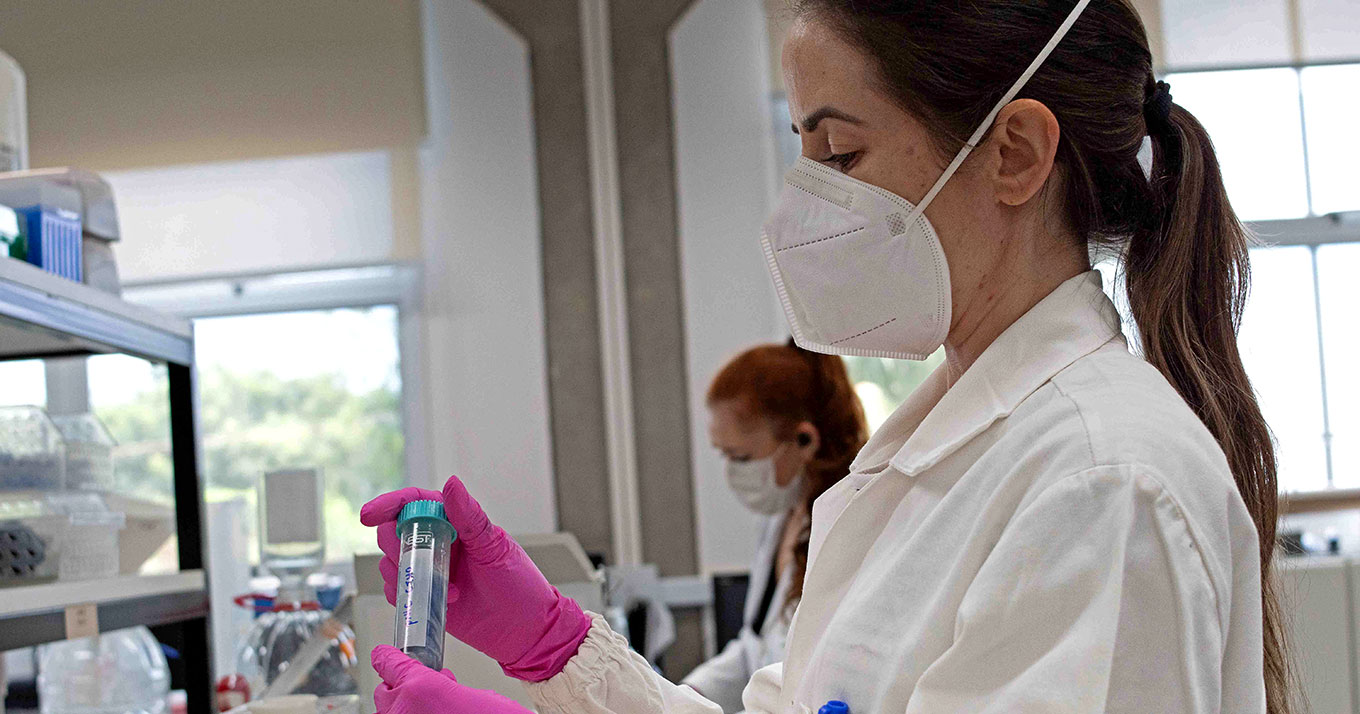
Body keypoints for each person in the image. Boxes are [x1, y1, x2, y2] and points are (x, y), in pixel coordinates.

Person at [361, 0, 1292, 712]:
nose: (801, 208)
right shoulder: (936, 456)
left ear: (1014, 151)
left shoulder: (1102, 482)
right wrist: (558, 650)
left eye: (840, 154)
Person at [685, 341, 868, 712]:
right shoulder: (782, 517)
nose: (733, 472)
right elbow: (755, 648)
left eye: (740, 457)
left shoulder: (854, 522)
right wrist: (680, 694)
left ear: (804, 440)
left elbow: (805, 674)